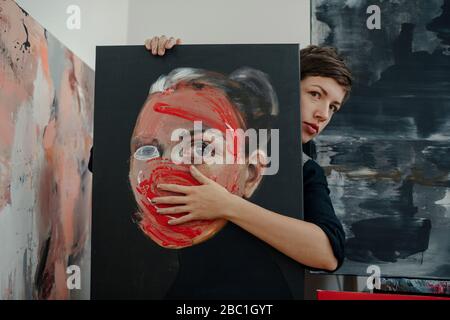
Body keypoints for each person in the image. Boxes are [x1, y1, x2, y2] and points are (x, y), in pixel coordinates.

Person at [143, 36, 352, 299]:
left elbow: (328, 255)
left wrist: (227, 205)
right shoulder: (199, 138)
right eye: (315, 94)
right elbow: (103, 160)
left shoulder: (305, 171)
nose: (323, 113)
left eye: (333, 107)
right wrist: (155, 58)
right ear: (287, 86)